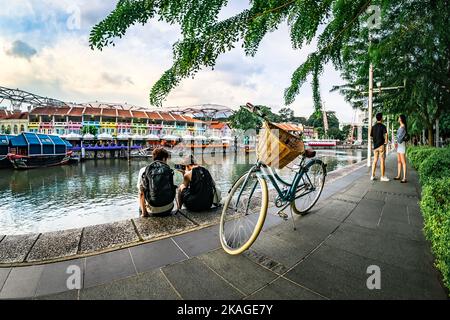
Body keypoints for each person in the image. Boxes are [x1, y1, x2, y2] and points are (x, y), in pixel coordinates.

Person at [137, 147, 176, 217]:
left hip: (152, 211)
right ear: (164, 158)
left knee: (141, 193)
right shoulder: (167, 169)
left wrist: (144, 213)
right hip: (168, 209)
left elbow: (141, 194)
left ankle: (143, 214)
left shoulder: (144, 170)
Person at [370, 112, 390, 181]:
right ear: (381, 118)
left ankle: (372, 175)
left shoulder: (373, 127)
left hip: (375, 146)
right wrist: (386, 143)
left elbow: (371, 136)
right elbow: (386, 135)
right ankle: (382, 176)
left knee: (375, 160)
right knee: (382, 161)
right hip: (381, 145)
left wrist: (375, 142)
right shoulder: (383, 126)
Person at [394, 114, 408, 183]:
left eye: (399, 118)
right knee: (399, 161)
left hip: (401, 144)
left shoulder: (403, 127)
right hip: (399, 145)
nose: (398, 119)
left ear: (401, 119)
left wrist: (397, 141)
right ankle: (398, 175)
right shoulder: (400, 126)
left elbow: (400, 137)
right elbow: (398, 137)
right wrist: (396, 142)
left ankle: (404, 178)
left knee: (403, 162)